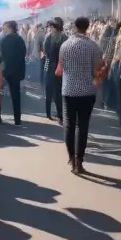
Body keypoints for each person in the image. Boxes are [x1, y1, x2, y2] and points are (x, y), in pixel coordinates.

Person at [58, 17, 104, 175]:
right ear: (87, 27)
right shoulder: (93, 46)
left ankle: (71, 157)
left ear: (74, 27)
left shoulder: (65, 45)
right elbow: (96, 71)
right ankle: (79, 159)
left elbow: (60, 68)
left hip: (68, 90)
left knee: (69, 125)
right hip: (87, 91)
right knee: (83, 126)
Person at [0, 20, 27, 125]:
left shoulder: (3, 40)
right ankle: (17, 119)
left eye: (4, 27)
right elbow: (23, 55)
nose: (3, 29)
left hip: (5, 71)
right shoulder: (20, 40)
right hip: (17, 72)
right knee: (16, 96)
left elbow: (0, 56)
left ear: (9, 27)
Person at [42, 18, 66, 122]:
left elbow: (46, 51)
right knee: (53, 91)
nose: (50, 28)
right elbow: (45, 51)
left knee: (55, 92)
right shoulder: (61, 37)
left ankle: (58, 114)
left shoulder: (62, 37)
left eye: (52, 26)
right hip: (54, 66)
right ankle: (52, 114)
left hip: (56, 67)